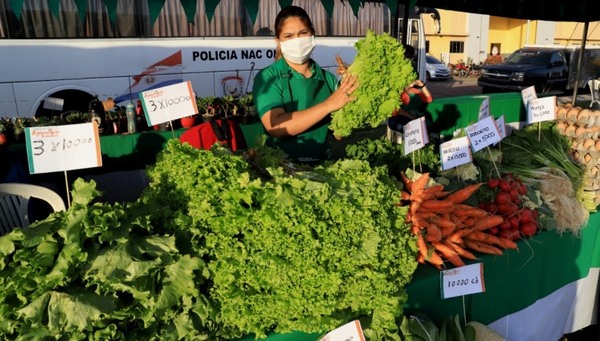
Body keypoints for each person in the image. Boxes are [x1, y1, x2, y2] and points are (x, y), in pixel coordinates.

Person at [252, 5, 358, 164]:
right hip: (281, 170)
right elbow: (276, 126)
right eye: (289, 36)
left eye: (303, 33)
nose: (297, 41)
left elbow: (338, 133)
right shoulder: (268, 77)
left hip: (323, 168)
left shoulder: (327, 79)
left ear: (312, 34)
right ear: (278, 41)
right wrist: (328, 105)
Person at [387, 44, 433, 134]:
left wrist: (422, 86)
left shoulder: (415, 90)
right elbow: (396, 109)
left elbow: (429, 99)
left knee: (428, 124)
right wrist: (411, 117)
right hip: (401, 118)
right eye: (408, 57)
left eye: (411, 57)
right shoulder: (397, 90)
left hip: (412, 117)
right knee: (404, 126)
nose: (410, 60)